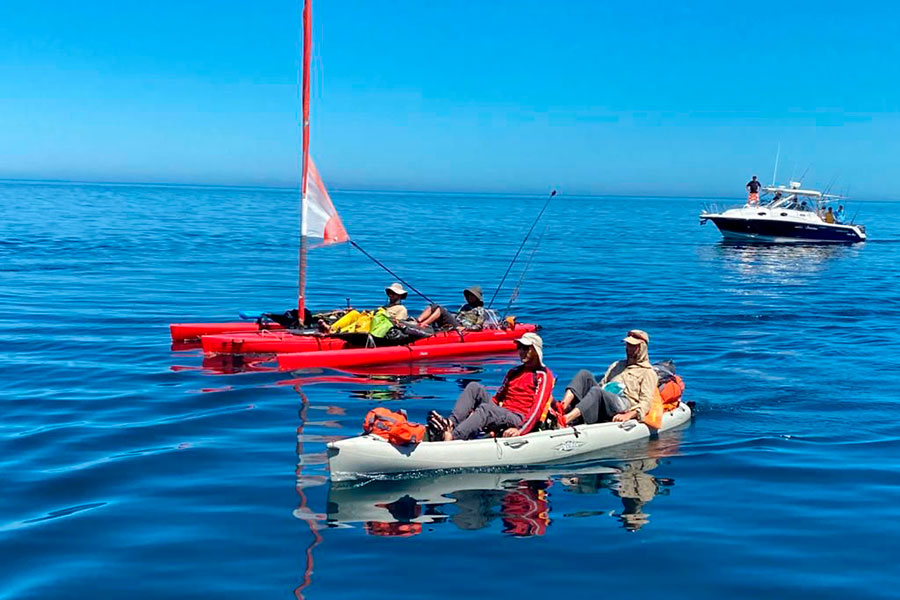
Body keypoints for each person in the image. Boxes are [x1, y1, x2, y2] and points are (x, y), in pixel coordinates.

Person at [428, 332, 554, 440]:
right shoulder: (514, 372)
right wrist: (474, 414)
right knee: (474, 387)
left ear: (536, 351)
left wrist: (520, 430)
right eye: (519, 347)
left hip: (519, 418)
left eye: (525, 348)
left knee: (486, 410)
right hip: (504, 412)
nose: (521, 351)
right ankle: (451, 423)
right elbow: (497, 398)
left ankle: (453, 437)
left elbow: (538, 407)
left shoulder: (543, 375)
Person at [558, 330, 658, 425]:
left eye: (633, 346)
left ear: (642, 348)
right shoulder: (617, 365)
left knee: (597, 391)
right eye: (628, 345)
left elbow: (646, 402)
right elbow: (602, 385)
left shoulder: (648, 372)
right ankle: (561, 409)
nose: (629, 348)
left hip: (625, 403)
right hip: (606, 398)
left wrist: (629, 415)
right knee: (584, 374)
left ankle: (566, 419)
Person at [416, 285, 486, 331]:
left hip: (460, 326)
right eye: (469, 295)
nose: (470, 297)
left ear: (477, 298)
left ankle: (422, 325)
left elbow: (478, 326)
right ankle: (418, 321)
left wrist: (464, 328)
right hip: (454, 322)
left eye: (472, 296)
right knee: (434, 306)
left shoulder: (480, 310)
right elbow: (457, 315)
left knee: (441, 309)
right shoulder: (465, 306)